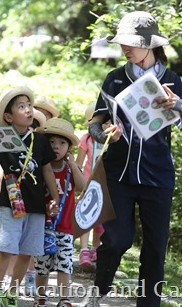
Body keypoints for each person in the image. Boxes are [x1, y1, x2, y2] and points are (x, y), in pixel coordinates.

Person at [81, 11, 182, 307]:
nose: (126, 49)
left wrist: (180, 105)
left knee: (155, 250)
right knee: (117, 240)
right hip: (117, 174)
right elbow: (94, 126)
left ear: (150, 44)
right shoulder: (114, 78)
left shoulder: (173, 80)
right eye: (123, 43)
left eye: (132, 43)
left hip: (158, 177)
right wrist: (106, 132)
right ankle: (97, 294)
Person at [0, 86, 60, 307]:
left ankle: (12, 293)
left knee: (27, 251)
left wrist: (55, 198)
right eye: (21, 107)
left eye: (29, 105)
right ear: (9, 117)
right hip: (11, 203)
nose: (28, 110)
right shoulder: (1, 136)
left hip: (37, 204)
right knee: (7, 247)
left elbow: (47, 170)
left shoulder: (39, 140)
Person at [33, 118, 86, 307]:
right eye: (51, 142)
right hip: (42, 225)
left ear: (69, 148)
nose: (56, 146)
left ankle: (65, 299)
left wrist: (73, 165)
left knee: (65, 264)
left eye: (62, 143)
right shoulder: (38, 168)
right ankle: (40, 297)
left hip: (65, 226)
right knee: (42, 265)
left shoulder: (70, 170)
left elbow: (83, 187)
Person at [75, 102, 110, 268]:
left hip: (106, 184)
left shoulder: (112, 139)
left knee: (100, 218)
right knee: (86, 215)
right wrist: (80, 183)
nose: (104, 125)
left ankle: (96, 248)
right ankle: (83, 250)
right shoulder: (87, 139)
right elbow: (79, 163)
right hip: (88, 182)